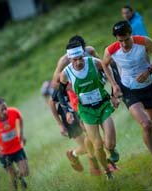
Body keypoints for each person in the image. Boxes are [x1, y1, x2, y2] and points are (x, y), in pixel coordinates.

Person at [101, 20, 152, 175]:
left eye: (126, 39)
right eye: (120, 41)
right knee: (146, 125)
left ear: (130, 34)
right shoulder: (111, 50)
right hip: (129, 90)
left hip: (149, 86)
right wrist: (113, 84)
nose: (124, 44)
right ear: (116, 39)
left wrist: (149, 70)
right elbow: (104, 64)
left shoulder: (143, 42)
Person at [52, 35, 119, 164]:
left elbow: (105, 66)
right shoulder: (64, 65)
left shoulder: (91, 56)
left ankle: (109, 152)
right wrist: (68, 105)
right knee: (95, 142)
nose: (79, 62)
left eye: (81, 57)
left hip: (100, 100)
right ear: (70, 57)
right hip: (81, 104)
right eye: (75, 59)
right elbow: (56, 87)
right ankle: (100, 165)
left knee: (107, 142)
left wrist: (111, 87)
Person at [49, 85, 102, 176]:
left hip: (83, 113)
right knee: (86, 147)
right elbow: (51, 103)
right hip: (70, 119)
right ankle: (73, 155)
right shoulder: (62, 84)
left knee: (94, 141)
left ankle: (96, 168)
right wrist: (60, 124)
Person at [0, 97, 29, 190]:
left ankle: (20, 176)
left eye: (6, 108)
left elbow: (20, 118)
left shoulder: (13, 112)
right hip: (4, 153)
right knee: (13, 180)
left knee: (25, 172)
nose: (5, 111)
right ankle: (16, 179)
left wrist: (21, 134)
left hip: (17, 148)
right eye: (2, 109)